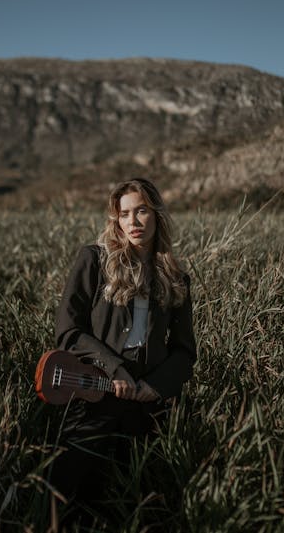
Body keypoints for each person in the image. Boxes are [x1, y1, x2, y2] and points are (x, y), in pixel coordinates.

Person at [50, 178, 197, 514]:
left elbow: (185, 352)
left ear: (157, 215)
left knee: (143, 502)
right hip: (95, 394)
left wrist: (154, 386)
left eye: (141, 211)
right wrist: (113, 369)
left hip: (148, 408)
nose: (132, 221)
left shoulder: (177, 279)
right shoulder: (94, 261)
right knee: (67, 492)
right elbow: (68, 331)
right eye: (124, 214)